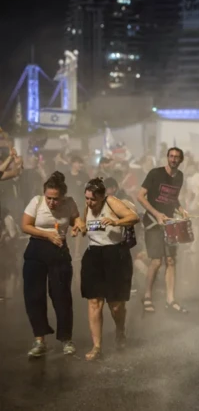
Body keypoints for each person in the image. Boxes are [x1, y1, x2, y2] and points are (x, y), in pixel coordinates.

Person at [20, 172, 84, 358]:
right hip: (37, 249)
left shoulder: (69, 203)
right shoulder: (37, 202)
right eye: (49, 197)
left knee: (61, 296)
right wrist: (47, 234)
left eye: (56, 199)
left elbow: (75, 219)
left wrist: (78, 224)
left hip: (59, 252)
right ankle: (39, 340)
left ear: (62, 196)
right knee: (34, 296)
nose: (51, 202)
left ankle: (66, 339)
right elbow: (25, 225)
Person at [81, 178, 140, 360]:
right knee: (94, 302)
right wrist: (79, 228)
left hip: (115, 254)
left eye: (92, 199)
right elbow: (84, 226)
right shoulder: (87, 207)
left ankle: (120, 330)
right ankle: (97, 347)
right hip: (94, 255)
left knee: (116, 306)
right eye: (86, 198)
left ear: (101, 197)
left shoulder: (111, 201)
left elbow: (134, 217)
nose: (89, 203)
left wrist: (115, 222)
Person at [137, 147, 188, 314]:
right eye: (171, 156)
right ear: (167, 158)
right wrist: (157, 214)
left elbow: (173, 199)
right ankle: (147, 296)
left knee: (171, 260)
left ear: (181, 160)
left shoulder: (179, 176)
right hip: (152, 222)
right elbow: (140, 196)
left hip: (169, 224)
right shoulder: (155, 173)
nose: (173, 159)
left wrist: (181, 209)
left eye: (177, 157)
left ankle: (170, 299)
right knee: (156, 261)